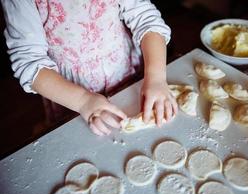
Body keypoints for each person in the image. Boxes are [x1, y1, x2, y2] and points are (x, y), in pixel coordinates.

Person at [1, 0, 178, 135]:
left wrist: (156, 77)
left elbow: (145, 18)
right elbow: (29, 63)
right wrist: (83, 101)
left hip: (126, 71)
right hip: (72, 95)